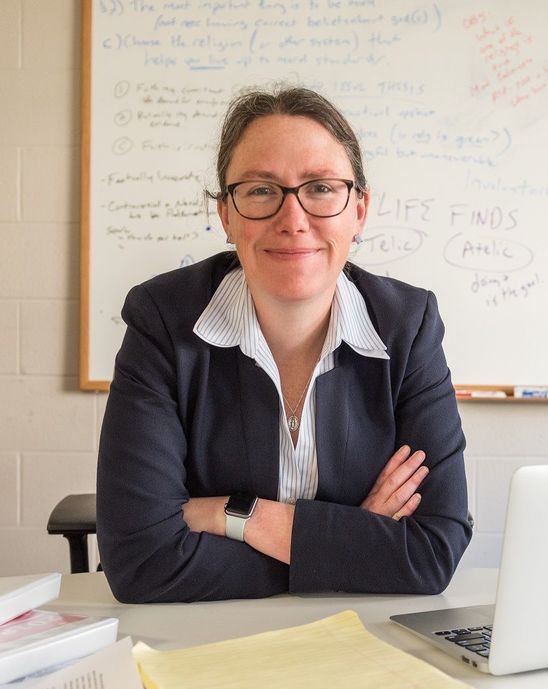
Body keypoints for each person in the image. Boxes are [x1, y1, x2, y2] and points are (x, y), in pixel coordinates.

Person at [97, 85, 471, 603]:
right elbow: (141, 561)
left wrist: (234, 517)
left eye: (320, 188)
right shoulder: (162, 321)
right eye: (260, 190)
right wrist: (350, 543)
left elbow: (432, 553)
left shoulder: (408, 326)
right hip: (204, 637)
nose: (293, 220)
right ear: (226, 215)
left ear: (359, 211)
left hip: (359, 634)